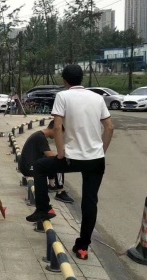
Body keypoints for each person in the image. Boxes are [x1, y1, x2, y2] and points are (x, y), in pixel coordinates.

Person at [26, 64, 114, 260]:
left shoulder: (63, 96)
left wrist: (60, 153)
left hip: (72, 158)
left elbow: (57, 128)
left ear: (65, 81)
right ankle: (83, 247)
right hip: (95, 159)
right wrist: (101, 150)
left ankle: (44, 208)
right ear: (81, 79)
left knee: (40, 167)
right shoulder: (97, 98)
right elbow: (109, 127)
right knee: (90, 202)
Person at [18, 120, 74, 204]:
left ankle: (52, 185)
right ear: (54, 129)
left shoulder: (40, 135)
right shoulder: (40, 137)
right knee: (59, 162)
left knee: (51, 161)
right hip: (29, 167)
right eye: (59, 133)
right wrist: (66, 154)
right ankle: (60, 192)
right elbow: (49, 154)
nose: (58, 136)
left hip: (28, 165)